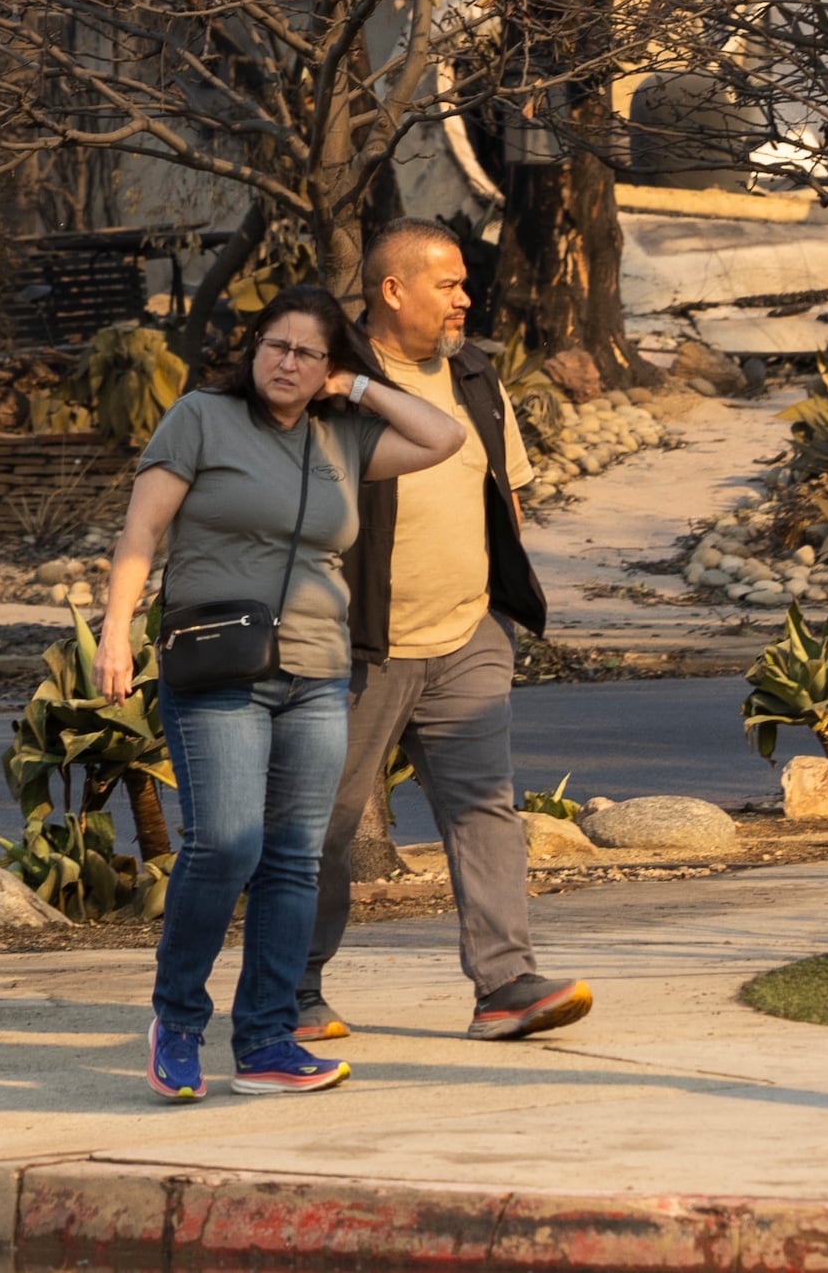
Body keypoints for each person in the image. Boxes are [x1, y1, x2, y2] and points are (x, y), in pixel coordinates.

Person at [97, 286, 468, 1103]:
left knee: (295, 857)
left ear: (329, 367)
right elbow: (139, 533)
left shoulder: (343, 438)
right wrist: (116, 629)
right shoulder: (200, 416)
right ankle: (180, 1022)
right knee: (225, 843)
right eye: (275, 344)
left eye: (308, 352)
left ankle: (266, 1038)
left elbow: (445, 435)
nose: (287, 362)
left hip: (316, 671)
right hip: (219, 666)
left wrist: (360, 390)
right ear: (253, 346)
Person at [288, 220, 592, 1045]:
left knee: (484, 809)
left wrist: (497, 599)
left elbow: (505, 489)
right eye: (449, 283)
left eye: (464, 283)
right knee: (324, 824)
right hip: (358, 646)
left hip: (467, 634)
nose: (465, 297)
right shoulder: (330, 378)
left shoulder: (474, 373)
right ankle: (293, 991)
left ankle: (504, 984)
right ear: (393, 289)